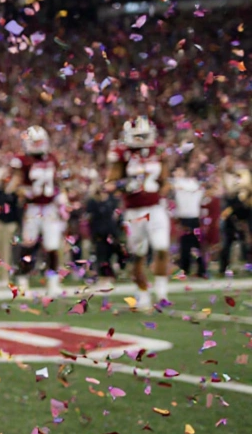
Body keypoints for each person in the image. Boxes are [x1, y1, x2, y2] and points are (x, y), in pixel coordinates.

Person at [106, 116, 171, 310]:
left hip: (155, 208)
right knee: (139, 254)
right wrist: (123, 185)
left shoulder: (158, 151)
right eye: (138, 136)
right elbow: (111, 182)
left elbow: (165, 181)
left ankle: (161, 292)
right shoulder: (122, 153)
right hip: (134, 212)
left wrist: (163, 189)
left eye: (144, 135)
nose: (141, 140)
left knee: (162, 246)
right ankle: (142, 295)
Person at [10, 125, 67, 296]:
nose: (39, 145)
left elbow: (58, 183)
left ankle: (53, 282)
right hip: (32, 208)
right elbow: (15, 184)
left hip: (49, 208)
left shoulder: (52, 159)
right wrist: (20, 190)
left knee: (52, 245)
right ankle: (22, 280)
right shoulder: (22, 160)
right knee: (28, 245)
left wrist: (62, 199)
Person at [170, 165, 207, 278]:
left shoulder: (184, 184)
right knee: (193, 245)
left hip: (188, 218)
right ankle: (199, 269)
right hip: (190, 218)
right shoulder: (194, 184)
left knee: (188, 245)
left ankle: (188, 269)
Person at [85, 183, 123, 289]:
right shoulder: (93, 202)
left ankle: (112, 274)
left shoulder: (111, 201)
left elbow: (116, 216)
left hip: (110, 231)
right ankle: (104, 277)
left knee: (112, 253)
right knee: (101, 255)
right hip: (98, 232)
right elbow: (90, 218)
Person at [0, 165, 21, 288]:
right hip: (0, 224)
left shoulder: (14, 194)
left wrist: (17, 224)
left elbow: (16, 209)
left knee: (7, 251)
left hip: (10, 224)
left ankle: (5, 277)